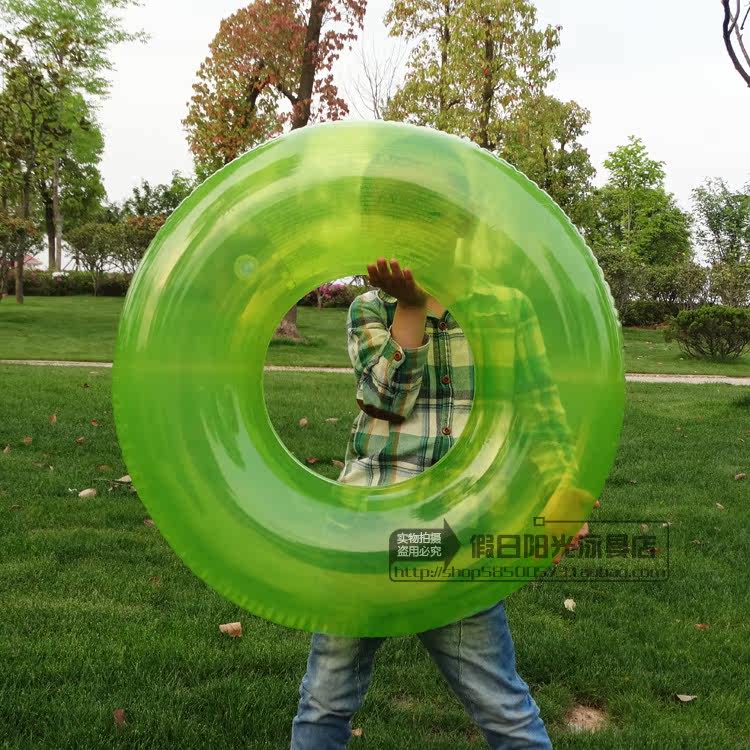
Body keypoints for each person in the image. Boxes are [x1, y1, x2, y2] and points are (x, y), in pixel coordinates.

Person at [290, 138, 589, 749]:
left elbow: (540, 411)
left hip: (456, 534)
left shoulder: (505, 310)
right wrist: (410, 305)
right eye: (401, 215)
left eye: (435, 213)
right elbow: (384, 401)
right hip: (368, 531)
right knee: (326, 698)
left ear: (461, 221)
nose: (420, 229)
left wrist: (566, 498)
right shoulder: (369, 309)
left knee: (501, 703)